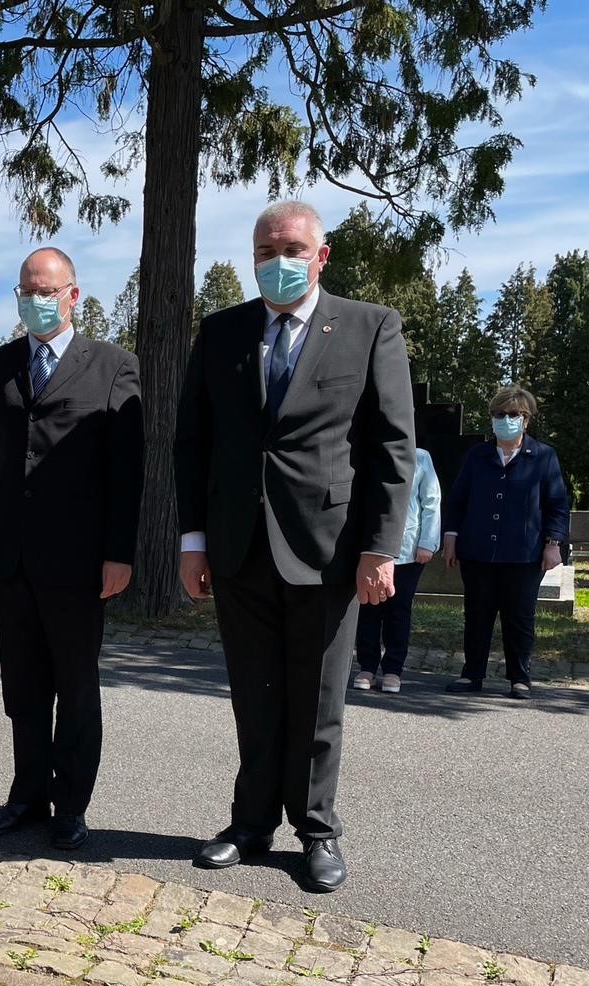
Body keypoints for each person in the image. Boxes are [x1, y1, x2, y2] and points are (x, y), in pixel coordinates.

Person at [175, 199, 415, 893]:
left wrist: (380, 547)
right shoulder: (222, 332)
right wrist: (194, 542)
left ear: (321, 254)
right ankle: (250, 825)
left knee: (317, 701)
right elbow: (193, 443)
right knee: (254, 693)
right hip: (238, 546)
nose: (277, 263)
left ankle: (316, 831)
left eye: (291, 249)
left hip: (327, 548)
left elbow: (392, 445)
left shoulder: (370, 328)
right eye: (263, 251)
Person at [0, 247, 144, 852]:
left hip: (79, 561)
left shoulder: (113, 366)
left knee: (75, 682)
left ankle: (71, 805)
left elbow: (127, 468)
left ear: (73, 295)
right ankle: (26, 794)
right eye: (25, 291)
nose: (35, 301)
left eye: (46, 291)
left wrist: (120, 551)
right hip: (7, 556)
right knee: (24, 683)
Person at [441, 386, 568, 700]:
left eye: (512, 415)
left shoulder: (543, 456)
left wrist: (553, 543)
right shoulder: (477, 456)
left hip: (523, 554)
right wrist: (451, 536)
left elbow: (557, 504)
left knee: (519, 616)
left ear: (525, 419)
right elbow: (457, 500)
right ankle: (472, 675)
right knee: (477, 615)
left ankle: (519, 678)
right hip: (478, 551)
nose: (505, 420)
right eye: (499, 414)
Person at [354, 446, 441, 694]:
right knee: (368, 607)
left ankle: (393, 669)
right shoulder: (365, 452)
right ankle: (367, 666)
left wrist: (428, 542)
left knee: (398, 611)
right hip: (370, 548)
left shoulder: (421, 457)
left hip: (408, 549)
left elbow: (432, 501)